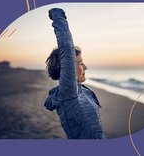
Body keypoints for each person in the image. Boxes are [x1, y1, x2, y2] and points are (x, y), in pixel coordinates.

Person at [44, 8, 104, 139]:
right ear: (67, 68)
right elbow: (66, 46)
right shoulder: (69, 92)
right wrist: (57, 15)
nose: (86, 67)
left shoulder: (82, 90)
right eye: (80, 63)